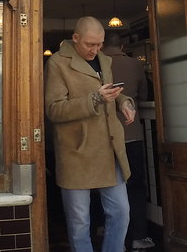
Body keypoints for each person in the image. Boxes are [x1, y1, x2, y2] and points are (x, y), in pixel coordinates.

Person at [45, 17, 133, 252]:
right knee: (79, 222)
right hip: (76, 151)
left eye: (99, 44)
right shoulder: (57, 63)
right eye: (90, 44)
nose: (95, 50)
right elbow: (53, 109)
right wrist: (95, 99)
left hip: (108, 148)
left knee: (121, 212)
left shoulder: (104, 60)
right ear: (75, 39)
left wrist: (123, 101)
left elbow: (109, 93)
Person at [102, 32, 153, 251]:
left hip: (105, 136)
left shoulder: (98, 64)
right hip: (131, 132)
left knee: (104, 183)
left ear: (102, 46)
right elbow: (143, 93)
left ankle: (103, 229)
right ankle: (138, 235)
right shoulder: (135, 64)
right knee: (134, 185)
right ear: (123, 46)